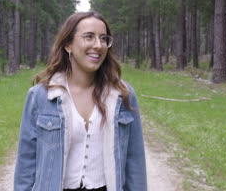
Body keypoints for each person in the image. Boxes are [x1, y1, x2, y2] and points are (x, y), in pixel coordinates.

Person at [14, 11, 147, 191]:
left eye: (103, 38)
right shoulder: (42, 96)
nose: (98, 45)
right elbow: (26, 161)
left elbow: (135, 159)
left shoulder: (122, 94)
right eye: (89, 37)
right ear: (68, 44)